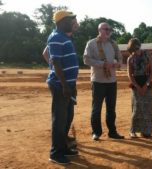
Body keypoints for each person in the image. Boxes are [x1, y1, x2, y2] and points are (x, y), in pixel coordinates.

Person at [47, 10, 79, 165]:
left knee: (67, 117)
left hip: (68, 85)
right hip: (60, 86)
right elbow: (57, 64)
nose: (73, 22)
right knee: (59, 120)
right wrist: (66, 86)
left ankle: (64, 147)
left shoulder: (65, 37)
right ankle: (55, 153)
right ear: (61, 22)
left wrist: (72, 85)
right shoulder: (55, 37)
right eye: (70, 20)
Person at [83, 22, 124, 140]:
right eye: (106, 29)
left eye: (109, 29)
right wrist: (102, 64)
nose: (108, 31)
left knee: (111, 108)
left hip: (112, 80)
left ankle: (112, 132)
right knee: (97, 108)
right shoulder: (91, 43)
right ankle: (96, 132)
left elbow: (120, 58)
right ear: (99, 30)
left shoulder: (113, 44)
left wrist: (116, 63)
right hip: (98, 81)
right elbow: (86, 59)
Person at [127, 38, 152, 138]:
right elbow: (130, 74)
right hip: (136, 85)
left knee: (147, 108)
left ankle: (146, 131)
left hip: (147, 84)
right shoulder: (130, 58)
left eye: (136, 49)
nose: (134, 52)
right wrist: (138, 87)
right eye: (132, 50)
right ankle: (133, 130)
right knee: (136, 108)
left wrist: (146, 85)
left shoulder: (148, 55)